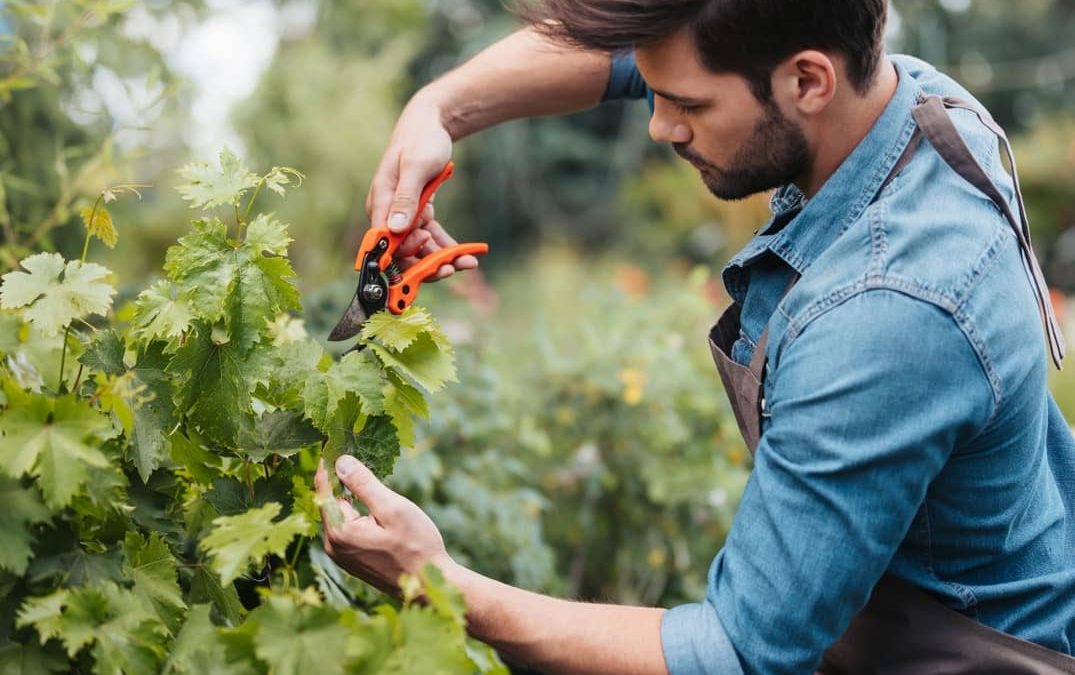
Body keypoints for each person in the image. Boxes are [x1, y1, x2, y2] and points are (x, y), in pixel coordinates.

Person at [314, 1, 1075, 672]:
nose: (657, 124)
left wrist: (438, 581)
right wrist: (437, 110)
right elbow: (625, 56)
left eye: (684, 103)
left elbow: (737, 654)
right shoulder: (897, 95)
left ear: (808, 82)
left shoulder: (885, 315)